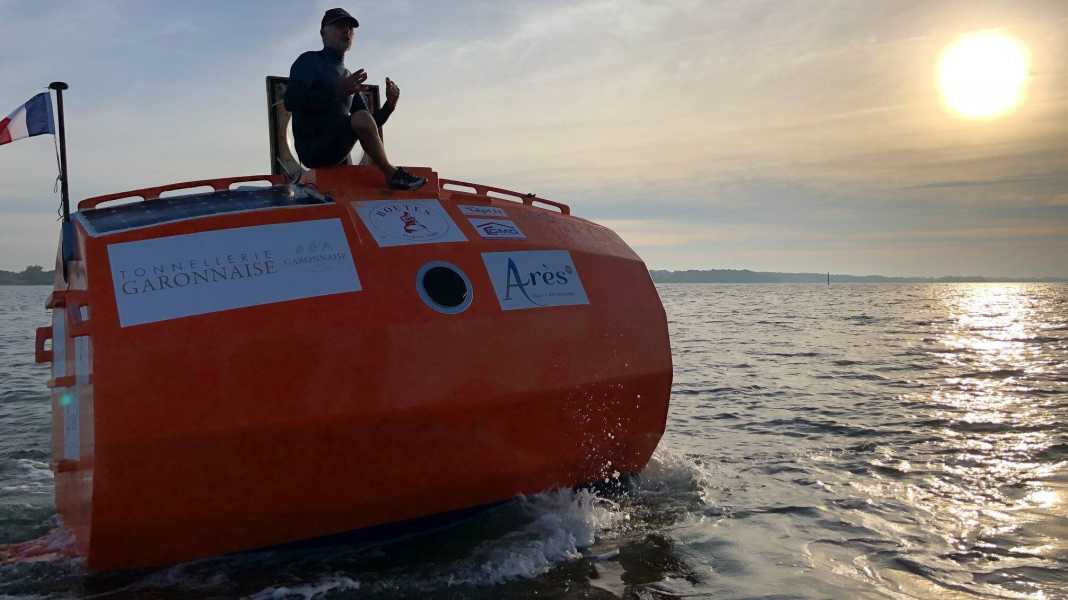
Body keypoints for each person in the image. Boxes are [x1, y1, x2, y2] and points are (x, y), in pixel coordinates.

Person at [285, 8, 426, 190]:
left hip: (337, 151)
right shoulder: (308, 61)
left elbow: (368, 124)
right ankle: (391, 174)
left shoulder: (347, 76)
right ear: (323, 33)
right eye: (339, 26)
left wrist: (389, 105)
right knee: (359, 117)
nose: (347, 31)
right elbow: (291, 102)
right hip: (313, 151)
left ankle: (390, 173)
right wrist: (335, 92)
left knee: (361, 117)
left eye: (350, 28)